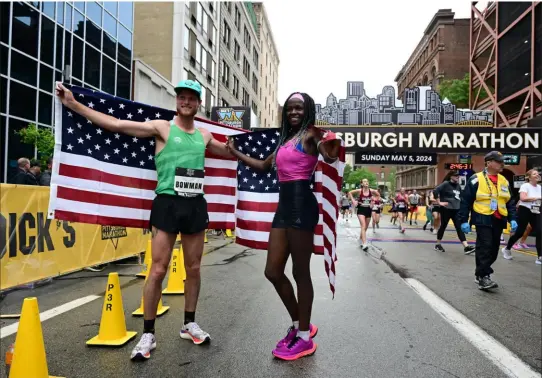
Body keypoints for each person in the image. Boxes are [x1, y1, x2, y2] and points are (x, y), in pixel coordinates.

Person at [56, 80, 232, 360]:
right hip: (167, 203)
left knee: (194, 268)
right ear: (177, 102)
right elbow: (116, 124)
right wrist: (74, 104)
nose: (186, 102)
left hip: (195, 205)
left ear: (198, 104)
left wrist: (264, 151)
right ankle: (148, 333)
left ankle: (189, 323)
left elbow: (232, 151)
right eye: (182, 97)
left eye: (191, 98)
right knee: (158, 270)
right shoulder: (162, 127)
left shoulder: (205, 135)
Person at [226, 92, 340, 361]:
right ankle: (302, 325)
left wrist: (331, 144)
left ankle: (303, 339)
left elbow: (329, 154)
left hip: (303, 204)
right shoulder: (285, 140)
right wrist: (234, 152)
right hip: (284, 207)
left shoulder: (311, 134)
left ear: (307, 110)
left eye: (299, 108)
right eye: (289, 108)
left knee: (301, 272)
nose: (293, 112)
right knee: (273, 271)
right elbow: (264, 166)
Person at [459, 151, 518, 290]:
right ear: (489, 163)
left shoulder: (504, 180)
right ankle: (483, 276)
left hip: (499, 219)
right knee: (485, 246)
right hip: (482, 217)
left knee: (494, 248)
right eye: (498, 161)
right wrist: (463, 220)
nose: (501, 164)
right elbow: (465, 201)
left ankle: (480, 273)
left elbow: (509, 201)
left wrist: (513, 218)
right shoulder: (476, 179)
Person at [501, 169, 541, 264]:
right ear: (529, 177)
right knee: (520, 232)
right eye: (534, 174)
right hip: (525, 210)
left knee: (540, 231)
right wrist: (537, 198)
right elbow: (523, 198)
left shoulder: (539, 187)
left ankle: (540, 256)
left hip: (536, 210)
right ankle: (507, 248)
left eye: (538, 173)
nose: (537, 175)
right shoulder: (525, 186)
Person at [433, 171, 475, 254]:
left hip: (456, 210)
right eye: (456, 176)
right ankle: (438, 244)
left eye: (458, 176)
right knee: (443, 226)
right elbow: (435, 191)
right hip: (446, 209)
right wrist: (439, 202)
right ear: (451, 176)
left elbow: (460, 197)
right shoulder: (445, 184)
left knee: (459, 228)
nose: (457, 177)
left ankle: (466, 247)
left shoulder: (458, 186)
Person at [349, 180, 379, 250]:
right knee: (363, 225)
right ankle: (364, 243)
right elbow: (350, 193)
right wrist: (353, 201)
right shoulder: (360, 191)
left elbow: (378, 195)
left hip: (368, 210)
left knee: (365, 228)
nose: (366, 182)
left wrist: (374, 200)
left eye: (367, 181)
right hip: (361, 210)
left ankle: (360, 238)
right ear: (362, 184)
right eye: (365, 182)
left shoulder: (371, 191)